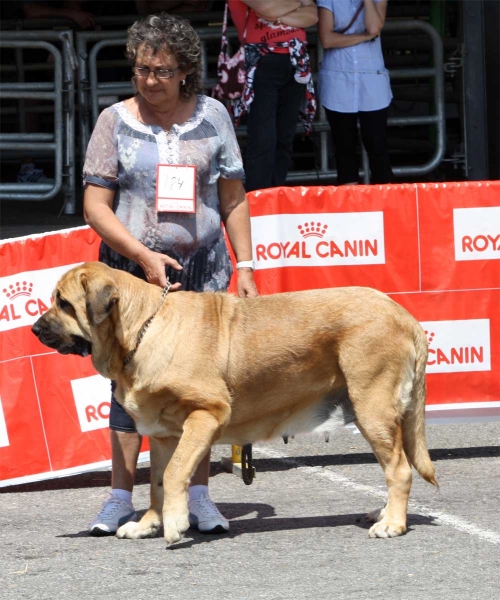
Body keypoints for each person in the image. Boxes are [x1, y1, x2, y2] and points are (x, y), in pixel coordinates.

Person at [82, 12, 258, 536]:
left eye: (160, 70)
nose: (149, 80)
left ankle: (197, 495)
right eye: (140, 69)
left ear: (186, 70)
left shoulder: (214, 116)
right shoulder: (114, 120)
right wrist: (141, 257)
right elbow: (96, 206)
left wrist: (245, 266)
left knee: (197, 391)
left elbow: (233, 198)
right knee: (126, 387)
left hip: (202, 272)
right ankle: (119, 497)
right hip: (129, 278)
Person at [228, 0, 318, 192]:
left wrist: (277, 14)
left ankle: (275, 201)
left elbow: (312, 14)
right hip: (261, 63)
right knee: (263, 140)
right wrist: (296, 7)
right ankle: (259, 205)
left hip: (295, 61)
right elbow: (266, 7)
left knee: (284, 138)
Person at [317, 0, 393, 185]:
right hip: (338, 79)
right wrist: (363, 37)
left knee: (377, 144)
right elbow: (327, 39)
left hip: (372, 79)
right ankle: (350, 208)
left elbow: (374, 28)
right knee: (344, 148)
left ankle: (385, 204)